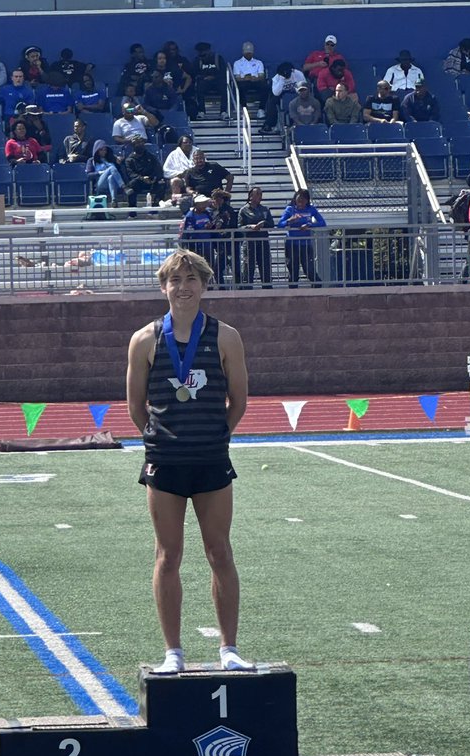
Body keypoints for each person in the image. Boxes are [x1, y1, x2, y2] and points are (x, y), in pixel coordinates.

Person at [125, 248, 251, 676]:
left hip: (211, 460)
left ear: (204, 285)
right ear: (164, 287)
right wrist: (162, 439)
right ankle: (172, 652)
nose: (183, 287)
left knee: (219, 552)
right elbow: (135, 407)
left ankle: (229, 648)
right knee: (168, 555)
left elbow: (240, 400)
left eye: (191, 279)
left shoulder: (226, 336)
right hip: (165, 462)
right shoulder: (144, 339)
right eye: (175, 280)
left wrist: (217, 434)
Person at [278, 188, 325, 287]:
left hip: (306, 244)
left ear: (307, 200)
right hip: (292, 244)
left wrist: (310, 225)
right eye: (299, 199)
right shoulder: (290, 209)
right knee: (293, 270)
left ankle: (318, 288)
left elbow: (322, 223)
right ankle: (293, 294)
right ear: (295, 199)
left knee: (309, 269)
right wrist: (290, 220)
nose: (301, 202)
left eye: (304, 200)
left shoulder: (311, 209)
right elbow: (280, 225)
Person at [238, 185, 273, 288]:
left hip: (263, 242)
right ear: (250, 196)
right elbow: (239, 227)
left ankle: (267, 290)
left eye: (261, 194)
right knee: (248, 268)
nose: (260, 196)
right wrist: (250, 227)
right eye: (257, 194)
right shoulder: (244, 210)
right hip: (249, 243)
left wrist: (264, 224)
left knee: (265, 267)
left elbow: (271, 224)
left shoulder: (265, 209)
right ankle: (247, 290)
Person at [121, 135, 167, 213]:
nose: (139, 145)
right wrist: (142, 178)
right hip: (139, 182)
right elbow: (131, 174)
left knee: (162, 183)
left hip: (151, 181)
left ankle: (154, 210)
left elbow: (158, 170)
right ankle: (132, 213)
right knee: (131, 185)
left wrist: (152, 178)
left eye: (141, 143)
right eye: (136, 143)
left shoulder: (151, 157)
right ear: (133, 145)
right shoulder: (129, 160)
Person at [262, 62, 306, 132]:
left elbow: (304, 87)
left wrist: (295, 89)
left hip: (296, 93)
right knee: (271, 102)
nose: (286, 75)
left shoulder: (298, 74)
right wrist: (282, 80)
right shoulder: (276, 78)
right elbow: (276, 93)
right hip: (280, 94)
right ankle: (270, 124)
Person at [192, 42, 228, 121]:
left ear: (209, 51)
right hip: (204, 82)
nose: (202, 57)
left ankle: (223, 111)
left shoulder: (218, 59)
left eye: (204, 55)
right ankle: (201, 111)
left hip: (217, 81)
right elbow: (194, 73)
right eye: (200, 55)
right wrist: (204, 77)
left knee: (223, 87)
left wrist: (213, 77)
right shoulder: (197, 60)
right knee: (199, 87)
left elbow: (223, 72)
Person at [232, 42, 266, 118]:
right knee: (240, 87)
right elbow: (237, 78)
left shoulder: (258, 63)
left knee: (265, 87)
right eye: (247, 54)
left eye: (250, 53)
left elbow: (261, 76)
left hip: (256, 81)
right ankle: (244, 109)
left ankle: (261, 109)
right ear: (243, 53)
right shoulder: (237, 63)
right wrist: (245, 78)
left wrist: (255, 78)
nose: (248, 55)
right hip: (243, 82)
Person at [86, 140, 124, 205]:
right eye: (101, 150)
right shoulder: (91, 160)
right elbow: (89, 175)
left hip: (113, 183)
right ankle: (123, 186)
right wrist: (101, 172)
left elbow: (119, 171)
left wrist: (119, 163)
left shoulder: (111, 159)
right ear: (96, 150)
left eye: (105, 150)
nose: (103, 152)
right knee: (111, 168)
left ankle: (114, 200)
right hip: (100, 183)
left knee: (111, 177)